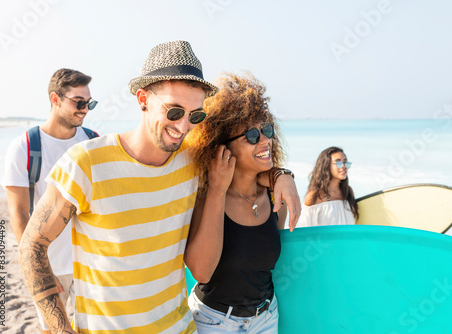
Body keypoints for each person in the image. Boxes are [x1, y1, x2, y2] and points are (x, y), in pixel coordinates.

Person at [18, 41, 300, 334]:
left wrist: (282, 175)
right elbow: (32, 246)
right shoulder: (86, 163)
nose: (184, 127)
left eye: (195, 115)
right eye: (174, 111)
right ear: (143, 99)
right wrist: (60, 328)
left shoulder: (193, 162)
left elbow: (243, 165)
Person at [184, 73, 292, 333]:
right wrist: (219, 189)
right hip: (214, 321)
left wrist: (283, 175)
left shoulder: (275, 195)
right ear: (223, 148)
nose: (265, 140)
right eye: (252, 135)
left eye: (267, 130)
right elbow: (201, 272)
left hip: (266, 317)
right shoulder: (205, 197)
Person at [2, 68, 97, 334]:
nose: (86, 109)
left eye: (90, 103)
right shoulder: (24, 147)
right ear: (55, 99)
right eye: (79, 102)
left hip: (88, 265)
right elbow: (19, 214)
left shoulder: (92, 142)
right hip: (49, 264)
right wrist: (39, 270)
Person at [299, 146, 358, 226]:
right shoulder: (314, 196)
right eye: (338, 163)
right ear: (326, 165)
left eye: (345, 162)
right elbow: (305, 229)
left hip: (348, 238)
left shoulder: (347, 192)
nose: (343, 166)